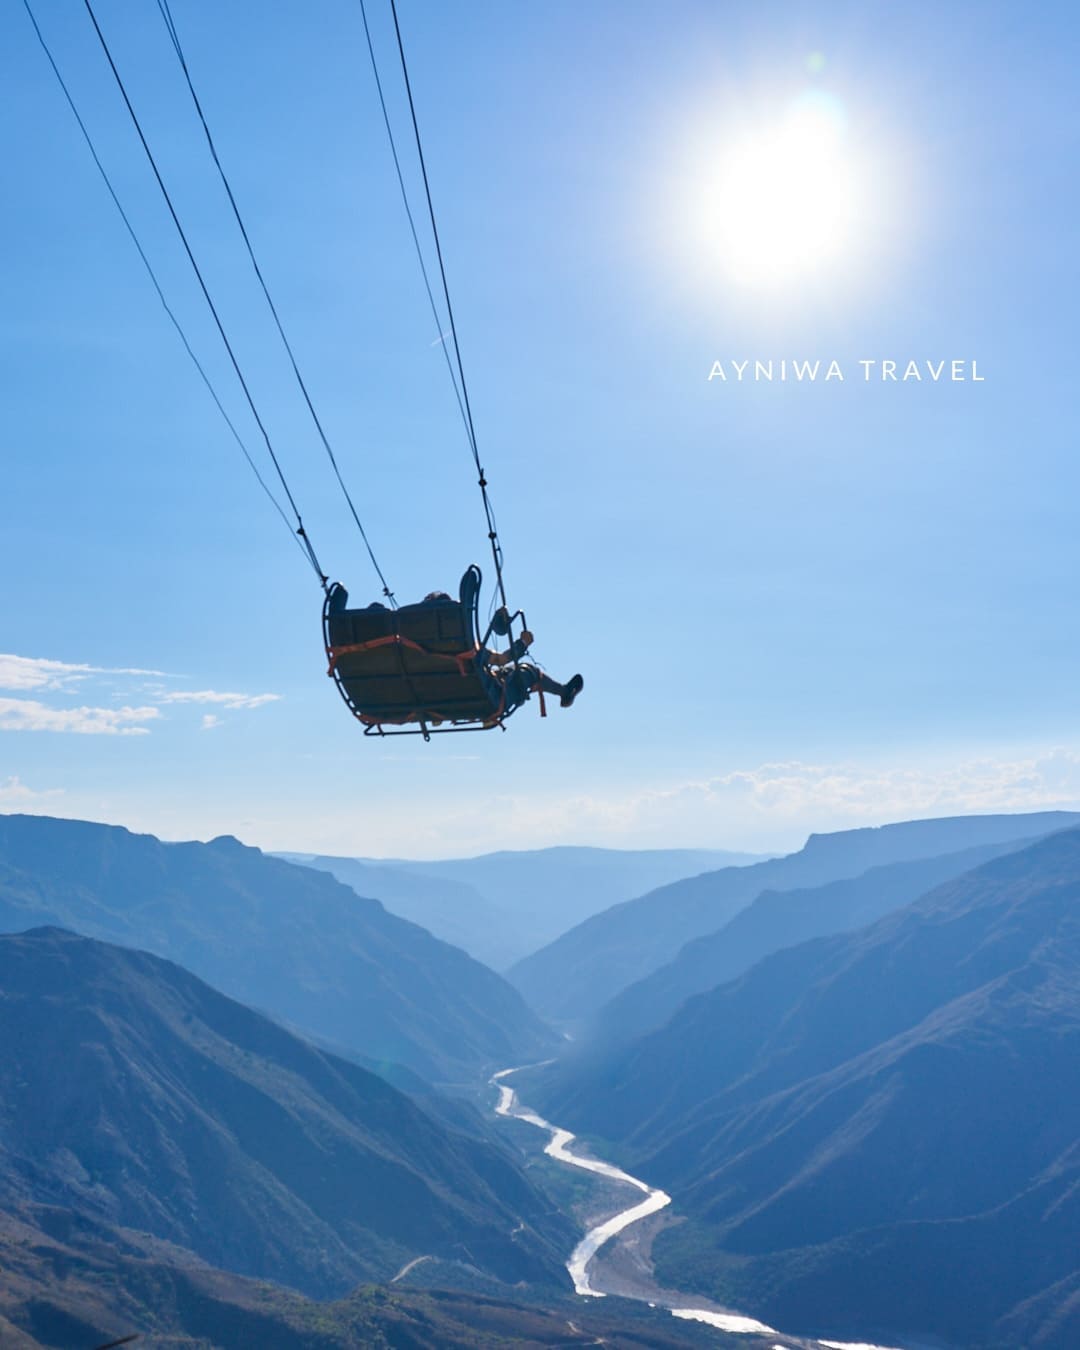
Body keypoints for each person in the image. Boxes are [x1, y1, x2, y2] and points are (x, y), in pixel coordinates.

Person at [483, 628, 583, 710]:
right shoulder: (476, 651)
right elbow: (501, 659)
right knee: (529, 670)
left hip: (476, 701)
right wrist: (523, 643)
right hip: (495, 696)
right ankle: (565, 692)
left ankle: (563, 691)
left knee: (509, 671)